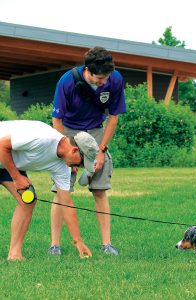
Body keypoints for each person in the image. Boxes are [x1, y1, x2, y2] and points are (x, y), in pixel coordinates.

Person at [50, 46, 126, 256]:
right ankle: (54, 245)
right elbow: (56, 119)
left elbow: (114, 117)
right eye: (100, 78)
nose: (104, 82)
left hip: (96, 131)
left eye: (107, 77)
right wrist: (67, 150)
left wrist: (101, 151)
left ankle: (106, 244)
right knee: (61, 190)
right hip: (67, 130)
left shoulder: (116, 79)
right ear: (88, 70)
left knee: (100, 190)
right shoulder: (67, 81)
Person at [0, 120, 99, 261]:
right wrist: (16, 177)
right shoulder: (43, 138)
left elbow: (66, 203)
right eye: (81, 162)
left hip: (6, 164)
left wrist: (79, 242)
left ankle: (14, 254)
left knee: (27, 201)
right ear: (75, 150)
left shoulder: (63, 166)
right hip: (3, 153)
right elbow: (2, 145)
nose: (79, 166)